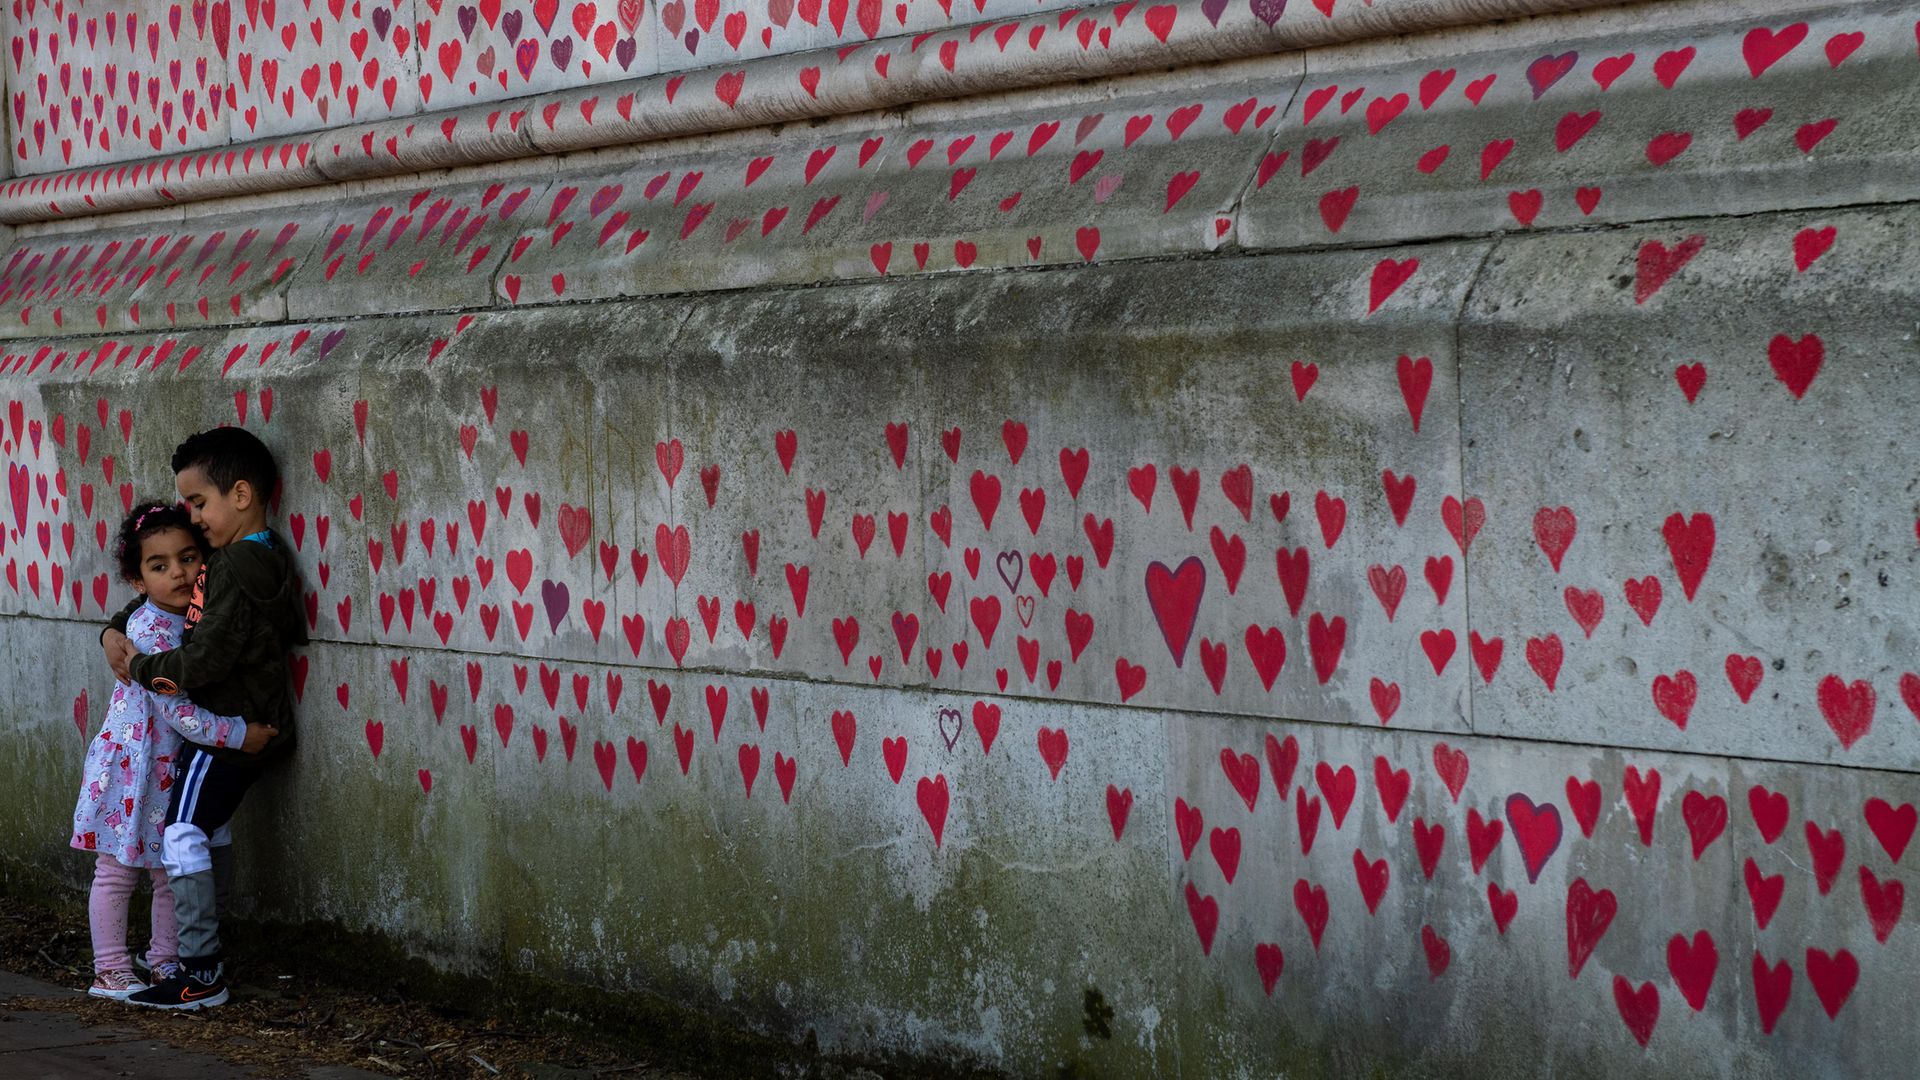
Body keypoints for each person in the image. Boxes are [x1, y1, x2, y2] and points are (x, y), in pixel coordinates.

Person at [98, 428, 307, 1010]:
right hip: (241, 727)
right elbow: (162, 597)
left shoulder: (234, 567)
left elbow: (203, 659)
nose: (192, 519)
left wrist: (140, 666)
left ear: (241, 495)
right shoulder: (249, 553)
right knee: (204, 833)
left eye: (198, 503)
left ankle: (199, 972)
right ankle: (186, 958)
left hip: (228, 731)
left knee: (181, 835)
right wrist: (114, 628)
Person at [72, 503, 276, 1000]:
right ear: (137, 579)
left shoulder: (192, 614)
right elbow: (176, 711)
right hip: (130, 768)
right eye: (159, 566)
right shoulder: (148, 631)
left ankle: (166, 959)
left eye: (188, 558)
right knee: (117, 871)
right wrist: (236, 734)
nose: (179, 573)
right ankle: (110, 967)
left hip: (165, 767)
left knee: (167, 869)